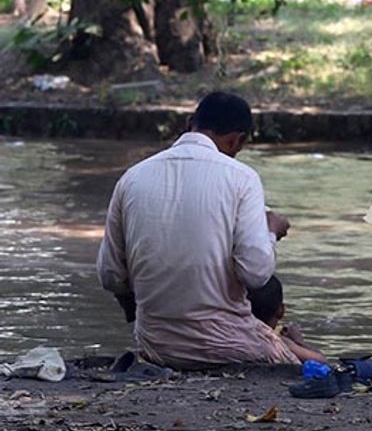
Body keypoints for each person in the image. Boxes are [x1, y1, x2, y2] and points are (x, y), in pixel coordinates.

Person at [96, 91, 298, 368]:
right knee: (305, 365)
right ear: (237, 139)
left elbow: (110, 275)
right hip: (228, 346)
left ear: (191, 122)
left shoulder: (132, 177)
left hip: (156, 345)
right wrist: (271, 231)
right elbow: (256, 273)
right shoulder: (242, 178)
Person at [247, 276, 328, 363]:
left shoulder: (234, 332)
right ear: (281, 311)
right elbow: (321, 361)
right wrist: (299, 341)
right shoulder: (276, 341)